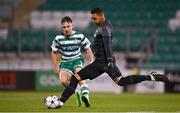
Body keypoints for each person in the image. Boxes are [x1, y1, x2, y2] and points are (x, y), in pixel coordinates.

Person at [57, 8, 169, 108]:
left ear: (101, 17)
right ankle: (151, 77)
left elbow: (107, 45)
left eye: (94, 18)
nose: (93, 20)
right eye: (92, 18)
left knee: (75, 78)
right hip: (106, 61)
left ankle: (61, 102)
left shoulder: (103, 28)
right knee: (121, 81)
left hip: (102, 61)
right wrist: (110, 61)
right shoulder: (107, 24)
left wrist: (109, 61)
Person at [51, 16, 94, 107]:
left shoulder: (79, 36)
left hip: (77, 60)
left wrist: (91, 61)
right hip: (65, 62)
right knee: (63, 81)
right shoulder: (58, 38)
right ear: (62, 27)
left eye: (68, 26)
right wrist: (55, 66)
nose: (66, 29)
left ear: (72, 26)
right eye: (64, 27)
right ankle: (76, 92)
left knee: (80, 78)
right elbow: (53, 52)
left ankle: (86, 97)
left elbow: (88, 48)